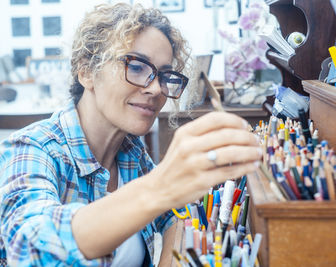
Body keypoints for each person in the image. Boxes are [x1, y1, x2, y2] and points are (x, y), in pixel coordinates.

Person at [0, 3, 261, 266]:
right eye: (136, 66)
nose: (157, 89)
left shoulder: (130, 152)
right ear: (86, 71)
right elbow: (29, 247)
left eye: (164, 75)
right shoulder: (30, 149)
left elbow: (177, 216)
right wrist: (161, 186)